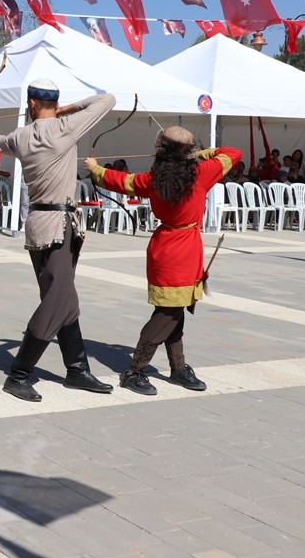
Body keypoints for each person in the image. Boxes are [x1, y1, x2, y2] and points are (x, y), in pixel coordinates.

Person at [0, 80, 116, 402]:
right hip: (59, 223)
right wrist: (66, 109)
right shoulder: (66, 127)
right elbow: (107, 99)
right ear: (52, 103)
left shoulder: (21, 136)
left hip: (41, 222)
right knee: (57, 298)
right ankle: (19, 374)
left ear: (30, 103)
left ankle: (77, 369)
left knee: (64, 298)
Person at [85, 129, 241, 395]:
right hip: (183, 248)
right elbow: (233, 154)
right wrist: (198, 155)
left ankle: (178, 368)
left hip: (167, 246)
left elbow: (120, 180)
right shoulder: (202, 173)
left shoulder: (152, 178)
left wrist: (95, 169)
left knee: (175, 309)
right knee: (168, 312)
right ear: (188, 151)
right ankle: (134, 370)